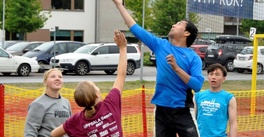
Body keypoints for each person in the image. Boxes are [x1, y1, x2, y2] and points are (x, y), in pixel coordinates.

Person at [112, 0, 204, 136]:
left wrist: (176, 68)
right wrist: (119, 5)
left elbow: (197, 86)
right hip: (161, 111)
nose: (173, 25)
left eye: (179, 24)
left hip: (182, 110)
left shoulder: (193, 57)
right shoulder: (161, 45)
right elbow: (135, 28)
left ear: (186, 33)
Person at [51, 29, 127, 137]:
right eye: (95, 86)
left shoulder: (76, 121)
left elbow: (54, 134)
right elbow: (121, 74)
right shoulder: (110, 104)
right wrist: (123, 48)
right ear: (96, 94)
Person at [24, 68, 72, 137]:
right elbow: (30, 131)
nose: (57, 79)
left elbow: (69, 127)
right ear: (45, 82)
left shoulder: (66, 102)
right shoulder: (38, 104)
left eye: (60, 77)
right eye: (53, 76)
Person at [193, 63, 237, 137]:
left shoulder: (229, 98)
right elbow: (192, 120)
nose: (213, 77)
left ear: (223, 78)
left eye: (217, 75)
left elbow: (233, 123)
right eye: (211, 74)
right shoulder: (198, 96)